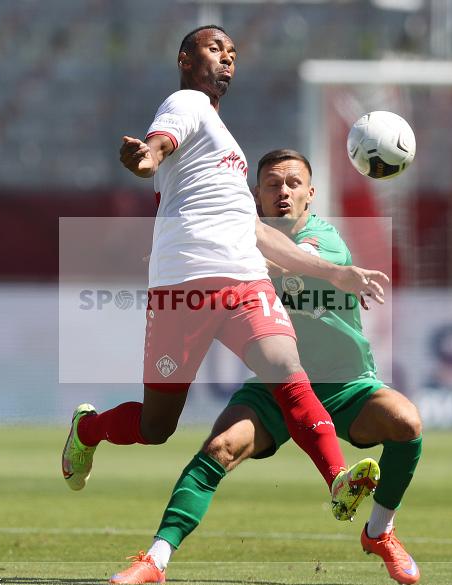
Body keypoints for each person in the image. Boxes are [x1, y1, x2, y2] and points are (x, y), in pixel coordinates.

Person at [62, 26, 390, 524]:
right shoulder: (186, 104)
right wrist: (146, 158)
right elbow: (157, 144)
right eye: (216, 49)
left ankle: (339, 479)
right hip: (183, 286)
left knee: (287, 368)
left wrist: (336, 273)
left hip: (242, 281)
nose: (227, 59)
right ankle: (89, 431)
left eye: (233, 53)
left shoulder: (230, 151)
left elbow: (256, 234)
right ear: (185, 57)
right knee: (156, 427)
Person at [109, 149, 423, 585]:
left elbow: (285, 265)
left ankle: (380, 532)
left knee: (406, 422)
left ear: (311, 194)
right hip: (277, 388)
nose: (284, 192)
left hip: (345, 386)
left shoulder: (323, 239)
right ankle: (156, 560)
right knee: (217, 449)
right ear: (256, 194)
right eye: (273, 184)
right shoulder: (235, 246)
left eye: (294, 184)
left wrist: (197, 262)